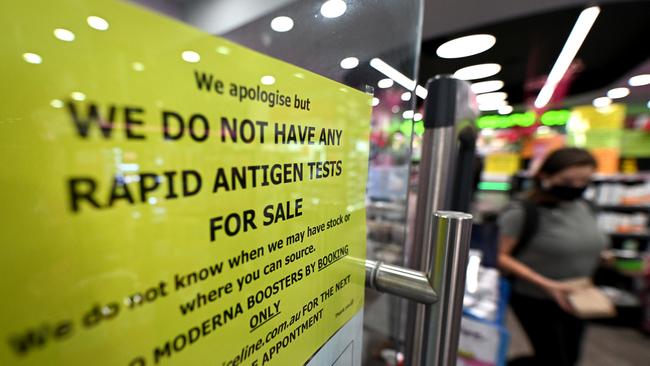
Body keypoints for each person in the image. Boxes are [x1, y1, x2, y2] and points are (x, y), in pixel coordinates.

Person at [497, 147, 609, 366]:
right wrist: (547, 284)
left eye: (584, 181)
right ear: (546, 177)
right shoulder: (522, 212)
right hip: (535, 297)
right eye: (568, 181)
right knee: (553, 357)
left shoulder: (584, 206)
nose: (577, 187)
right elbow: (500, 256)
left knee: (570, 356)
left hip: (578, 294)